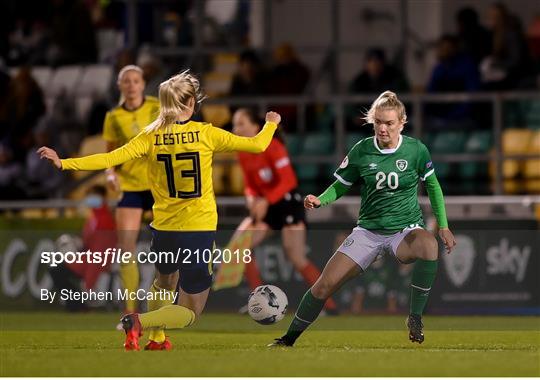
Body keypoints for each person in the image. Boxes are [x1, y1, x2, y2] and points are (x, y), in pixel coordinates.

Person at [38, 70, 281, 351]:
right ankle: (139, 321)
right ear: (190, 103)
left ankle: (156, 340)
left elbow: (109, 157)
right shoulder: (206, 133)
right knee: (192, 311)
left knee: (163, 284)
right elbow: (258, 144)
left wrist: (64, 163)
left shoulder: (150, 135)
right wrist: (270, 124)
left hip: (163, 229)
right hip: (196, 230)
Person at [270, 91, 456, 347]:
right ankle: (288, 339)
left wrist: (443, 226)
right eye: (378, 122)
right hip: (367, 232)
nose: (382, 128)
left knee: (429, 245)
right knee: (324, 286)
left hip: (404, 231)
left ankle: (414, 317)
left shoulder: (416, 150)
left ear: (402, 122)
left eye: (389, 123)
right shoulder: (362, 150)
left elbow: (433, 186)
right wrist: (321, 199)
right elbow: (341, 185)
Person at [227, 108, 337, 312]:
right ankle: (259, 302)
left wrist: (265, 201)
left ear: (255, 127)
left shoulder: (273, 145)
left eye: (241, 124)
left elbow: (288, 180)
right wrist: (251, 199)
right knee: (240, 246)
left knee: (295, 256)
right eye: (235, 124)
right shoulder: (242, 151)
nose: (236, 129)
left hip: (286, 204)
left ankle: (328, 305)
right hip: (266, 207)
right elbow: (249, 184)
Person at [102, 65, 159, 314]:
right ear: (120, 86)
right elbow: (110, 154)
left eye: (135, 80)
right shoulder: (113, 117)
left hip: (159, 185)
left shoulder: (157, 107)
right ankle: (130, 311)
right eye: (126, 81)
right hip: (131, 187)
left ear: (143, 84)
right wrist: (110, 173)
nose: (131, 85)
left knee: (169, 246)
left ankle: (164, 307)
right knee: (126, 250)